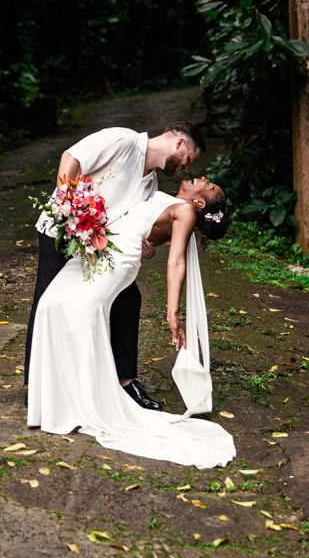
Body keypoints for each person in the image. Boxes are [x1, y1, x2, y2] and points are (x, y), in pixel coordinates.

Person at [26, 177, 235, 467]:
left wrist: (172, 311)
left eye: (210, 186)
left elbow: (176, 261)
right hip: (100, 251)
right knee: (51, 304)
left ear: (199, 203)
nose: (205, 179)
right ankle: (55, 393)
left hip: (118, 260)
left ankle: (82, 400)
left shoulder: (185, 211)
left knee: (82, 314)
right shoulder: (162, 196)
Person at [24, 122, 205, 410]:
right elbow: (70, 159)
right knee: (47, 298)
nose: (186, 168)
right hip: (60, 230)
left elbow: (130, 221)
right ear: (180, 143)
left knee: (128, 299)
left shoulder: (151, 185)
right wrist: (68, 207)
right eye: (189, 160)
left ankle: (125, 381)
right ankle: (36, 383)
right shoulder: (122, 140)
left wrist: (145, 246)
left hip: (95, 244)